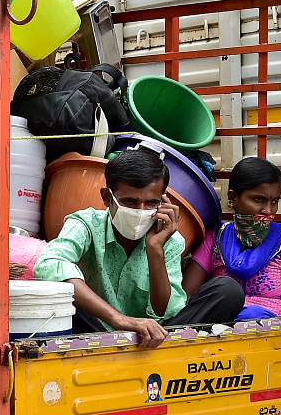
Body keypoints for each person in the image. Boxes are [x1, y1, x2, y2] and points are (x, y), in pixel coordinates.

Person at [34, 146, 244, 348]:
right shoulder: (86, 224)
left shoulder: (170, 239)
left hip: (155, 337)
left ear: (163, 202)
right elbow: (49, 264)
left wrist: (155, 250)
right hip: (94, 332)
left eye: (151, 203)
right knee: (57, 295)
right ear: (107, 197)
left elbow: (164, 311)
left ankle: (161, 355)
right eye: (130, 202)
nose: (140, 210)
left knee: (228, 290)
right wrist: (118, 319)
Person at [183, 156, 281, 330]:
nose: (268, 211)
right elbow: (186, 297)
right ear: (233, 197)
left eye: (274, 202)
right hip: (217, 334)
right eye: (258, 200)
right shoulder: (215, 239)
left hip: (275, 334)